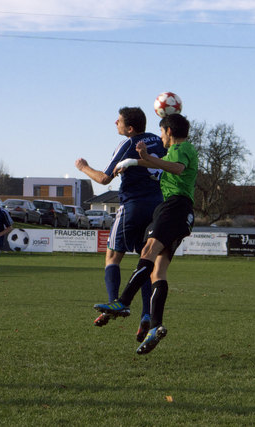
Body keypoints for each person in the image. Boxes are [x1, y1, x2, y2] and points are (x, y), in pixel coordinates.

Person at [93, 113, 197, 355]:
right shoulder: (178, 150)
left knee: (147, 251)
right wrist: (136, 162)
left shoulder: (181, 148)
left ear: (169, 131)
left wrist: (145, 158)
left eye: (161, 132)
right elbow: (162, 165)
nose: (160, 136)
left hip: (173, 207)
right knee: (157, 271)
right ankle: (155, 326)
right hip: (181, 212)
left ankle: (123, 301)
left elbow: (178, 168)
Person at [75, 106, 167, 342]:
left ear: (130, 128)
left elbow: (105, 178)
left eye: (119, 120)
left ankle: (117, 303)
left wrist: (83, 167)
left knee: (112, 256)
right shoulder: (159, 140)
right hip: (157, 205)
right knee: (145, 261)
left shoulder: (129, 143)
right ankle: (146, 314)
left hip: (133, 206)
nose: (115, 122)